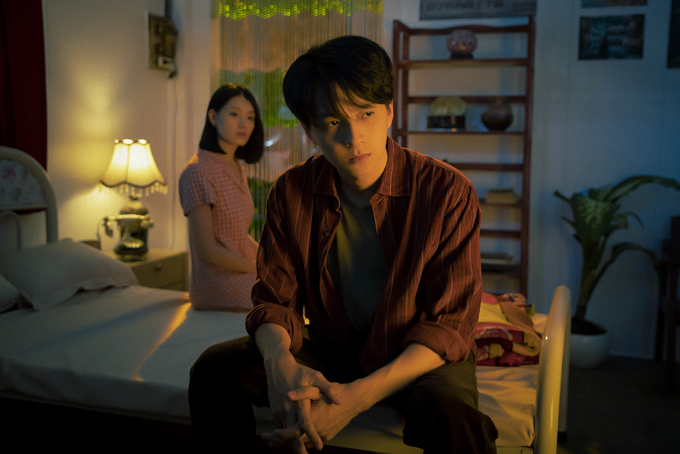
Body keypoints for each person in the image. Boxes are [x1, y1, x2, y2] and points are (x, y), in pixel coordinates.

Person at [188, 36, 498, 453]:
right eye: (334, 122)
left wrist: (355, 400)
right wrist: (280, 363)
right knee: (214, 370)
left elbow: (449, 325)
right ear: (310, 131)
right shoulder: (291, 191)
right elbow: (275, 300)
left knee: (453, 412)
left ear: (389, 112)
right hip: (333, 348)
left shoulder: (446, 191)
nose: (354, 136)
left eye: (366, 113)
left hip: (415, 354)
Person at [178, 83, 264, 311]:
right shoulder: (197, 171)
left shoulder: (236, 166)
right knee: (290, 297)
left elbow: (238, 235)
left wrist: (269, 259)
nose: (244, 124)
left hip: (241, 271)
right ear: (214, 117)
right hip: (216, 283)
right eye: (235, 114)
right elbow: (207, 250)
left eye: (250, 117)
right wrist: (257, 268)